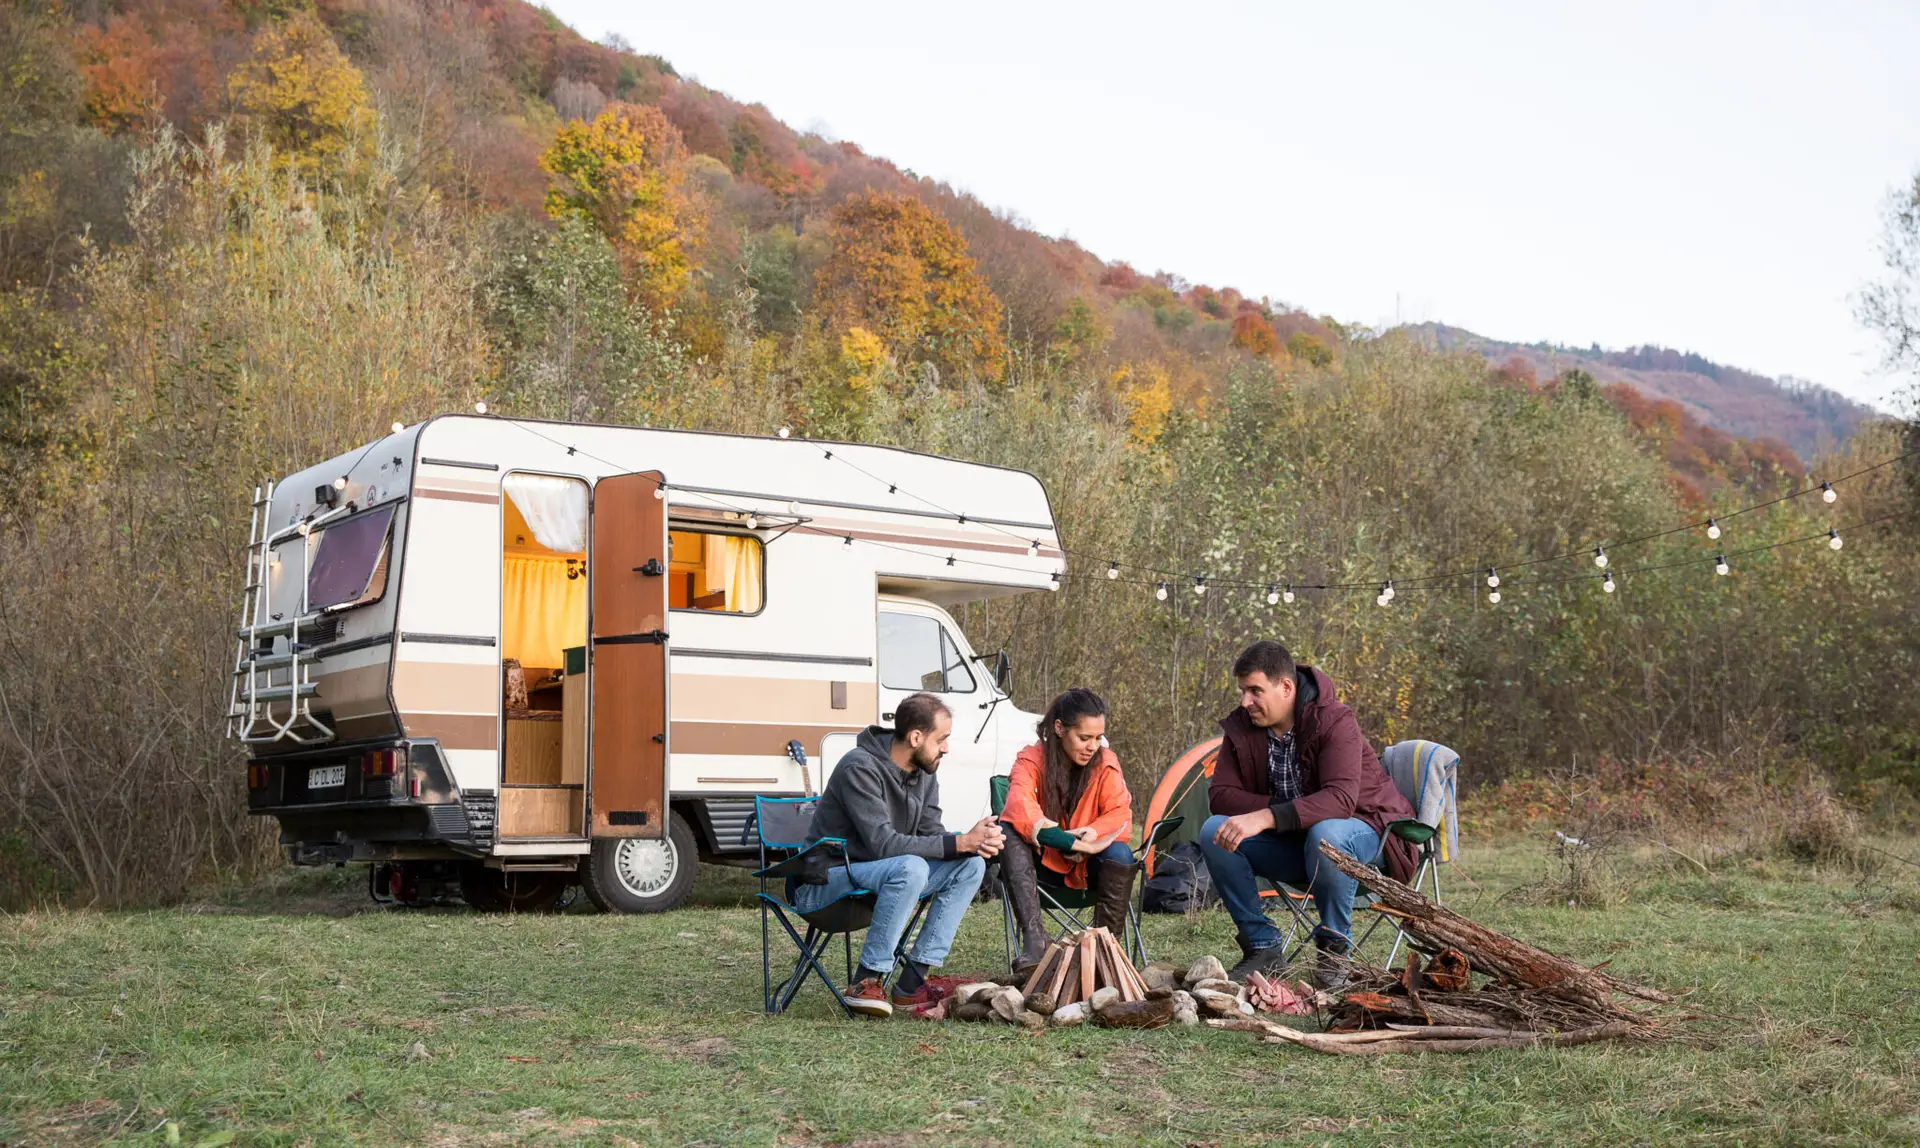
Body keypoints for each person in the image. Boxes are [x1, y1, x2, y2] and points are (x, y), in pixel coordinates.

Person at [1198, 640, 1418, 989]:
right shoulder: (1243, 725)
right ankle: (1263, 946)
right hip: (1297, 843)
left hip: (1367, 835)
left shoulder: (1333, 719)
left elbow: (1340, 800)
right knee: (1214, 830)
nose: (1245, 702)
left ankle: (1333, 951)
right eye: (1242, 691)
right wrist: (1278, 812)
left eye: (1255, 691)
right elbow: (1221, 796)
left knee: (1327, 832)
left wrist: (1265, 817)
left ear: (1286, 687)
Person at [796, 692, 1004, 1017]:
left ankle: (913, 982)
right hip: (824, 882)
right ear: (916, 737)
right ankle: (867, 980)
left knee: (969, 865)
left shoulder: (924, 772)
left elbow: (932, 834)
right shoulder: (859, 767)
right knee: (910, 867)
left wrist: (974, 843)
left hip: (880, 880)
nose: (947, 748)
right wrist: (960, 841)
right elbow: (884, 845)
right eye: (942, 739)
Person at [997, 687, 1135, 978]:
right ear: (1059, 728)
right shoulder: (1031, 759)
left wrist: (1091, 835)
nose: (1092, 746)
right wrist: (1065, 840)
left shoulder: (1106, 762)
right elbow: (1018, 805)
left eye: (1098, 738)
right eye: (1084, 738)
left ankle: (1104, 952)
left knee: (1121, 853)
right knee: (1007, 831)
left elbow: (1120, 813)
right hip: (1043, 867)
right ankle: (1036, 944)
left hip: (1088, 870)